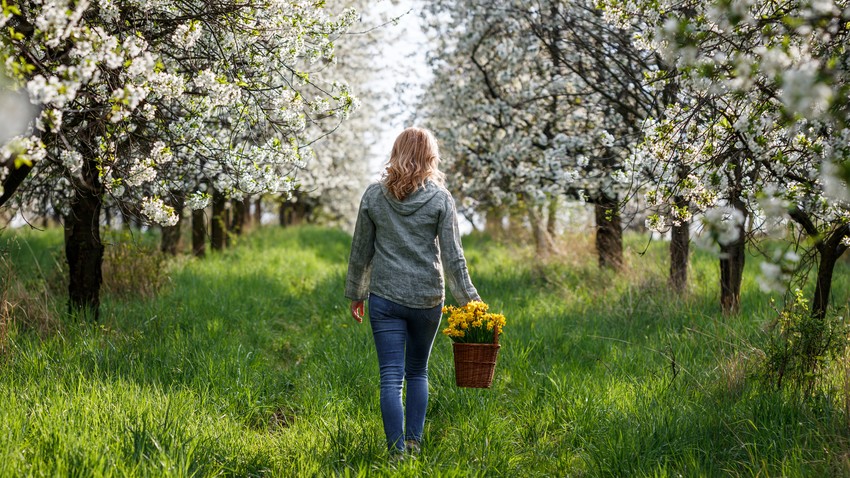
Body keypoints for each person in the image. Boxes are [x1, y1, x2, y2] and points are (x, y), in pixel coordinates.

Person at [345, 127, 481, 457]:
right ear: (430, 158)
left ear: (396, 153)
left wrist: (356, 294)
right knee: (417, 371)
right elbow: (453, 256)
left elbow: (360, 249)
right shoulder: (440, 198)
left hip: (385, 298)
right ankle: (413, 443)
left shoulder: (374, 196)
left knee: (390, 378)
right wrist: (472, 302)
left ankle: (395, 452)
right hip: (427, 299)